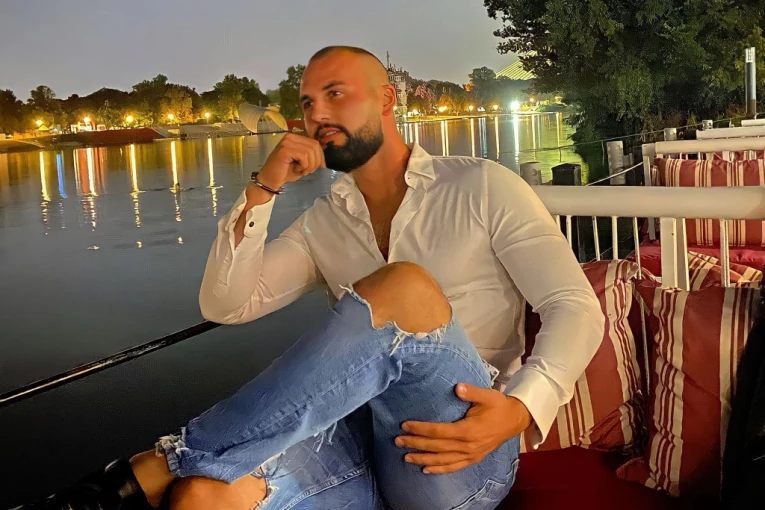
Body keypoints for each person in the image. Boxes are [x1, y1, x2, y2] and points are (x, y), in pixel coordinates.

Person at [21, 46, 604, 510]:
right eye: (306, 102)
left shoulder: (481, 186)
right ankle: (166, 474)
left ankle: (147, 470)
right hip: (354, 444)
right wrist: (264, 186)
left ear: (387, 99)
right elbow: (227, 304)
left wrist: (521, 409)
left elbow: (573, 304)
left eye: (335, 94)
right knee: (202, 495)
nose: (317, 113)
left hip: (459, 452)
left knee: (403, 287)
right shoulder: (325, 221)